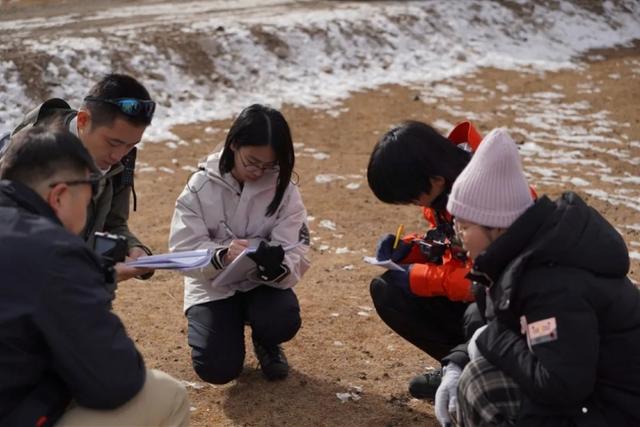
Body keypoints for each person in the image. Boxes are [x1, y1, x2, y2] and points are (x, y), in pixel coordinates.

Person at [438, 128, 640, 426]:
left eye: (465, 226)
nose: (459, 237)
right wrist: (457, 362)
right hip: (595, 398)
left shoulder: (551, 284)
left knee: (481, 384)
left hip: (617, 410)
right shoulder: (521, 257)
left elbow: (561, 384)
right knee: (477, 360)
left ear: (497, 227)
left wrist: (490, 340)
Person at [0, 127, 188, 426]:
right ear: (60, 196)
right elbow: (116, 381)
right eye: (89, 195)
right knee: (166, 394)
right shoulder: (55, 251)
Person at [169, 104, 311, 384]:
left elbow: (296, 247)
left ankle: (266, 340)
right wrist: (221, 255)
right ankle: (226, 329)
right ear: (234, 144)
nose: (259, 172)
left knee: (282, 320)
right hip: (213, 284)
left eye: (269, 165)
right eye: (252, 162)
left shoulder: (284, 189)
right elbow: (183, 249)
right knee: (217, 369)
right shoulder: (199, 187)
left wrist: (277, 265)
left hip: (261, 283)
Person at [366, 120, 485, 399]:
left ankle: (479, 373)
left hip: (509, 307)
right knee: (388, 291)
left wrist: (418, 277)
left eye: (411, 197)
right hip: (483, 297)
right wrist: (410, 249)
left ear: (435, 181)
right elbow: (454, 246)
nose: (415, 204)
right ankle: (459, 367)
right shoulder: (447, 186)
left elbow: (483, 281)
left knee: (475, 314)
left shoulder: (484, 195)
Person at [4, 73, 156, 283]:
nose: (118, 155)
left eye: (131, 145)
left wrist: (133, 248)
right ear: (83, 120)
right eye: (113, 143)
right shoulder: (32, 153)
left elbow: (113, 224)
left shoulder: (119, 155)